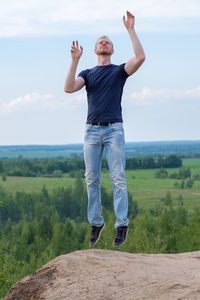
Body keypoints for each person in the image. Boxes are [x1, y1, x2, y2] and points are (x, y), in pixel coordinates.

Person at [64, 11, 145, 247]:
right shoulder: (87, 74)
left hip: (114, 131)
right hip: (91, 131)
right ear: (95, 49)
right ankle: (96, 222)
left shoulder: (119, 71)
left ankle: (122, 225)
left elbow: (140, 58)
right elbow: (69, 88)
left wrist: (130, 29)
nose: (104, 42)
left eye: (108, 41)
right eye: (101, 41)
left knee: (118, 178)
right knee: (91, 179)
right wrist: (74, 61)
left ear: (111, 50)